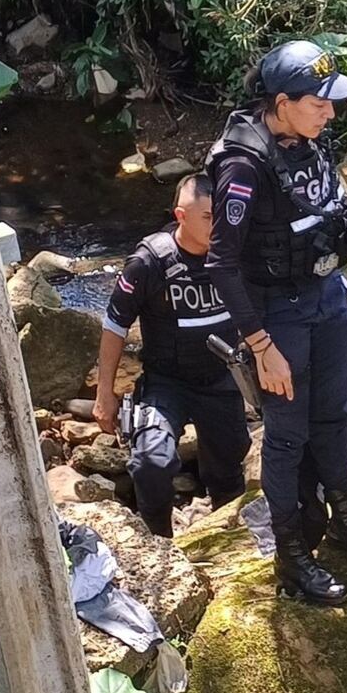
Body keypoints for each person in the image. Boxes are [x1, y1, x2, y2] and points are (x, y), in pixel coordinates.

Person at [205, 39, 347, 605]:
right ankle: (291, 557)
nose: (331, 112)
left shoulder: (311, 136)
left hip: (328, 298)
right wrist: (260, 344)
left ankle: (345, 520)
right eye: (320, 102)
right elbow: (221, 260)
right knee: (287, 436)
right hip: (278, 315)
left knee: (336, 417)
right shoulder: (243, 163)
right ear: (283, 102)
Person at [94, 173, 248, 537]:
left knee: (229, 471)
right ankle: (158, 540)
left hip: (222, 378)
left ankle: (228, 541)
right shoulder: (149, 263)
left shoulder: (238, 252)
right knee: (151, 463)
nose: (220, 225)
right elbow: (115, 326)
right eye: (210, 217)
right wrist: (105, 394)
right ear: (181, 216)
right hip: (167, 382)